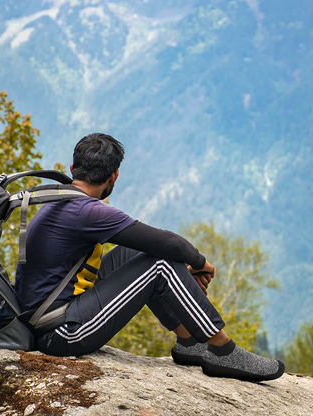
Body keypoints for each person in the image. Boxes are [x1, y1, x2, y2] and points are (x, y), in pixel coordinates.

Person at [15, 133, 285, 382]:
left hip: (51, 313)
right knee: (160, 263)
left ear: (73, 169)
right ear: (114, 176)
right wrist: (202, 264)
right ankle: (222, 351)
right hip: (59, 333)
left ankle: (189, 342)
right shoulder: (87, 211)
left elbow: (153, 243)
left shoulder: (59, 199)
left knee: (141, 252)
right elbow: (167, 242)